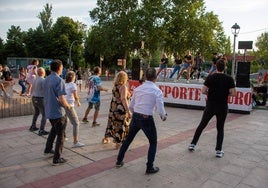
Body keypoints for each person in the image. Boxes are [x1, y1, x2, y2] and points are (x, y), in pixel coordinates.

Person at [115, 67, 168, 174]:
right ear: (155, 78)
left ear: (145, 77)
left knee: (128, 139)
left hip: (136, 117)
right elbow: (160, 107)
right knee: (153, 142)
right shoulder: (157, 90)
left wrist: (133, 112)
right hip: (146, 118)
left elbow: (132, 105)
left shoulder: (138, 89)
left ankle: (119, 160)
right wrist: (163, 116)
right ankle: (149, 167)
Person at [188, 59, 236, 158]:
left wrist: (210, 93)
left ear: (215, 66)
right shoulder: (229, 79)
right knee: (220, 128)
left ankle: (192, 144)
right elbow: (233, 93)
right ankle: (218, 150)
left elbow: (203, 90)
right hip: (222, 106)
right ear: (225, 67)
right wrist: (225, 93)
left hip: (210, 105)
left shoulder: (210, 77)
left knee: (202, 125)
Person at [43, 59, 71, 166]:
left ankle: (48, 149)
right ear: (59, 68)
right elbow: (62, 98)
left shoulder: (46, 79)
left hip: (49, 110)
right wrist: (67, 106)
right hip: (58, 112)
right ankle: (57, 159)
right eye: (62, 67)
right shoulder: (59, 80)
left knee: (53, 130)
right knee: (60, 135)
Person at [102, 71, 132, 149]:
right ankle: (118, 143)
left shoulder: (115, 86)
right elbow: (123, 99)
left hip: (113, 108)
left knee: (112, 123)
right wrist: (128, 111)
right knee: (120, 125)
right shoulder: (123, 87)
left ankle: (106, 138)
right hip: (120, 109)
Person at [65, 71, 85, 148]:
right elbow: (75, 95)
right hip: (69, 105)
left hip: (63, 104)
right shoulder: (73, 85)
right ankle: (75, 142)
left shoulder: (65, 84)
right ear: (73, 77)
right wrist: (78, 102)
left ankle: (63, 136)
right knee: (76, 123)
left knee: (65, 121)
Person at [29, 67, 49, 135]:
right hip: (40, 98)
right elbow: (45, 90)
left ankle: (33, 126)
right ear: (43, 73)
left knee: (36, 112)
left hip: (34, 98)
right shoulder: (43, 80)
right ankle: (41, 130)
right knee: (45, 114)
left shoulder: (35, 79)